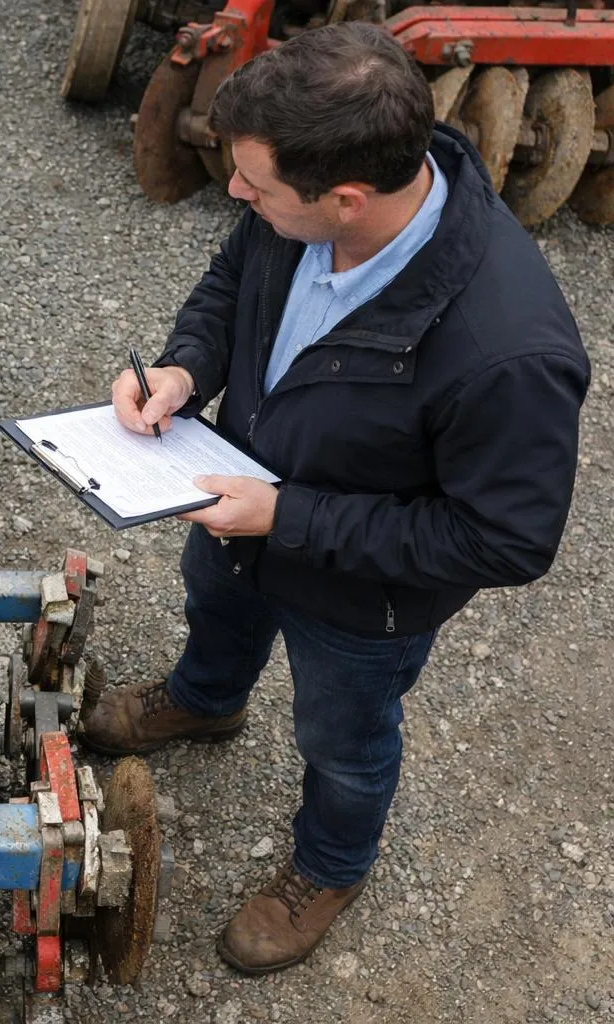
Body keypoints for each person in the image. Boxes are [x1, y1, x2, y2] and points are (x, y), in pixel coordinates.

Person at [86, 23, 590, 975]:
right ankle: (205, 700)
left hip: (362, 599)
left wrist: (289, 517)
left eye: (256, 188)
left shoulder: (511, 351)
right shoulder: (303, 199)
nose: (236, 194)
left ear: (347, 199)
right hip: (233, 511)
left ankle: (332, 864)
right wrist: (186, 369)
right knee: (218, 610)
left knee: (344, 740)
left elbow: (505, 540)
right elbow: (233, 279)